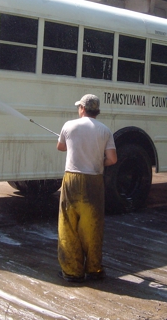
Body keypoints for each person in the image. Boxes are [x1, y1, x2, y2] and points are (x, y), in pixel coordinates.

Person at [56, 94, 117, 282]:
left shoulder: (69, 125)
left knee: (68, 225)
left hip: (72, 180)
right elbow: (113, 159)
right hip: (94, 182)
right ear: (96, 110)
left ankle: (72, 271)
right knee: (93, 226)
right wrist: (99, 161)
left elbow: (60, 147)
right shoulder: (105, 130)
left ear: (82, 108)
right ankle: (94, 269)